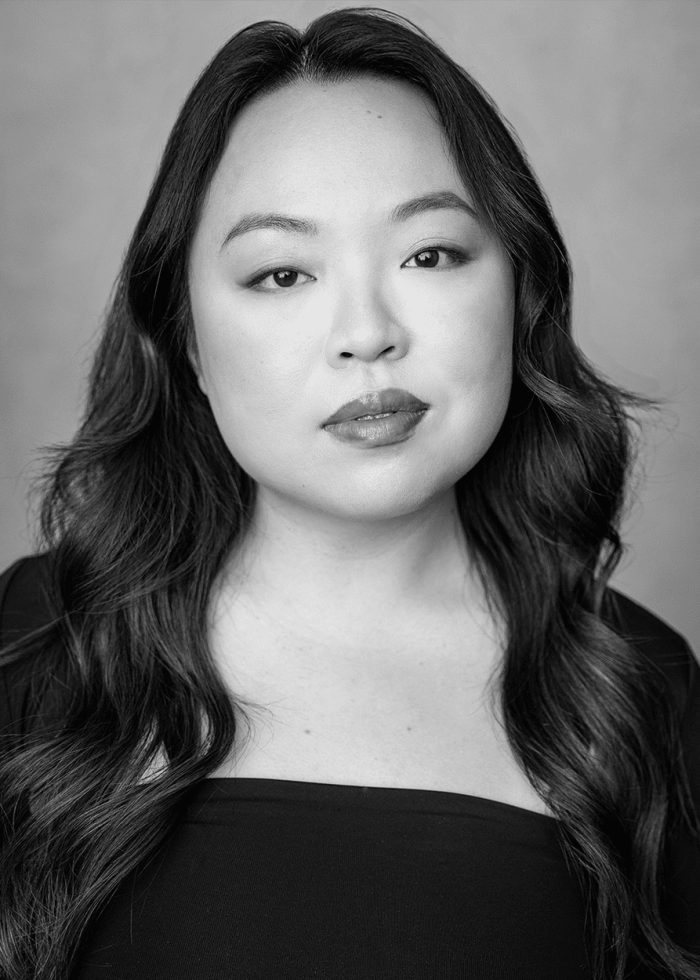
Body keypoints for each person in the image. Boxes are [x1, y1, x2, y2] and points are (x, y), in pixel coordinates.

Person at [0, 6, 698, 979]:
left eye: (430, 254)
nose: (366, 330)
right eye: (282, 271)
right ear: (189, 342)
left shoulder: (639, 692)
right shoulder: (38, 648)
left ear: (520, 289)